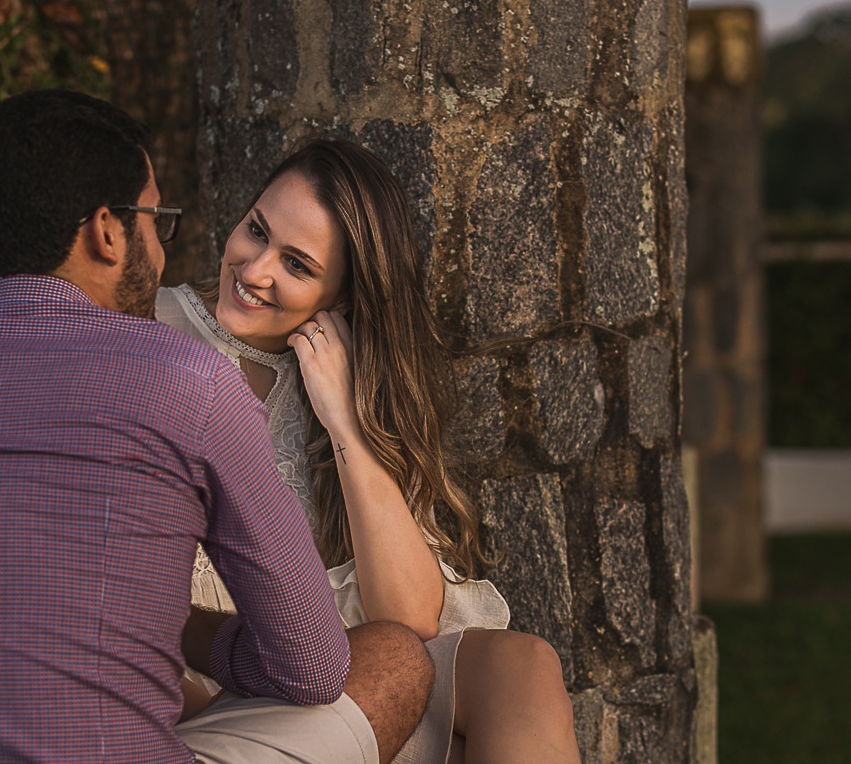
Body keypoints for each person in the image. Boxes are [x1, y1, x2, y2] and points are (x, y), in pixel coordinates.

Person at [0, 90, 433, 764]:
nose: (162, 248)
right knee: (395, 660)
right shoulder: (192, 381)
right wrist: (183, 631)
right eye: (156, 221)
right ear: (107, 232)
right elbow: (310, 668)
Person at [156, 138, 582, 764]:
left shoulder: (349, 382)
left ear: (346, 298)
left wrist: (345, 424)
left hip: (344, 677)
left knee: (522, 667)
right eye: (256, 231)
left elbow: (407, 623)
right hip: (203, 679)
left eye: (296, 265)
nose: (253, 271)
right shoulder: (152, 327)